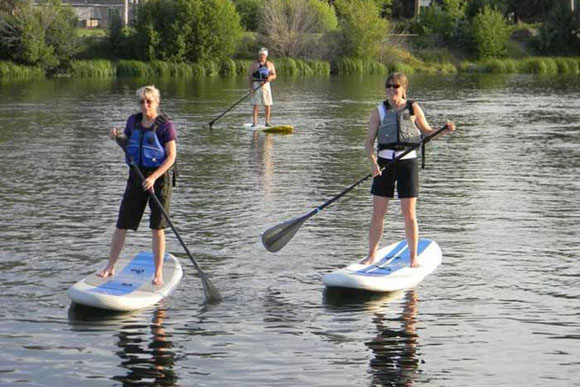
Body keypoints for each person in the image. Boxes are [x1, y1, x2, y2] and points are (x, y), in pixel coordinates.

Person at [362, 73, 455, 267]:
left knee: (409, 213)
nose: (391, 90)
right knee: (378, 212)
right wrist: (373, 163)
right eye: (388, 86)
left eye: (395, 87)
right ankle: (371, 255)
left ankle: (413, 258)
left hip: (408, 163)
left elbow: (428, 133)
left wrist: (444, 130)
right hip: (384, 165)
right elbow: (369, 143)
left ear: (403, 89)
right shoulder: (378, 111)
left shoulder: (413, 108)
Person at [97, 85, 177, 286]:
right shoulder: (133, 121)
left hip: (159, 179)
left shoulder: (166, 126)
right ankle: (110, 266)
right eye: (142, 101)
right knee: (121, 224)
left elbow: (171, 157)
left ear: (156, 102)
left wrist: (153, 178)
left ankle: (158, 273)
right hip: (136, 176)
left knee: (157, 228)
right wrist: (115, 136)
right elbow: (128, 141)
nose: (145, 105)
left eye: (149, 101)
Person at [248, 47, 276, 127]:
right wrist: (251, 88)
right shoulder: (254, 64)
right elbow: (250, 76)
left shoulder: (270, 64)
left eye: (263, 55)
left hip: (266, 85)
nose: (261, 56)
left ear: (266, 55)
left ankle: (267, 122)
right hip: (256, 84)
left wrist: (270, 78)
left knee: (268, 104)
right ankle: (255, 122)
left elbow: (274, 75)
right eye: (260, 55)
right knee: (256, 104)